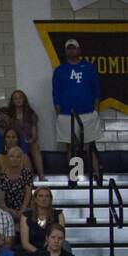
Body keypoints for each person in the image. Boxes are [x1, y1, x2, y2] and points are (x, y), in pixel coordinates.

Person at [52, 39, 102, 183]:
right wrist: (59, 112)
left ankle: (97, 175)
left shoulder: (89, 68)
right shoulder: (60, 70)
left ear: (79, 50)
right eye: (68, 48)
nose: (71, 51)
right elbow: (56, 94)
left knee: (90, 145)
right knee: (71, 147)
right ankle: (75, 176)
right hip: (67, 114)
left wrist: (96, 111)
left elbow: (96, 90)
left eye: (74, 48)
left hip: (88, 113)